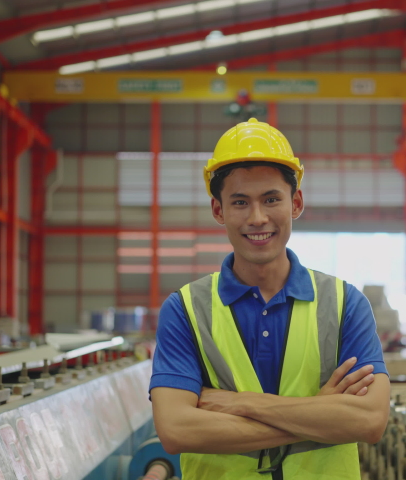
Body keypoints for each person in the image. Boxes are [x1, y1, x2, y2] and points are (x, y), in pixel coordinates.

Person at [150, 118, 390, 479]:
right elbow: (176, 430)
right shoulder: (186, 310)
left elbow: (370, 421)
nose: (257, 218)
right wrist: (318, 413)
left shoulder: (344, 304)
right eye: (240, 202)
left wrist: (241, 404)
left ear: (296, 203)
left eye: (271, 199)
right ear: (219, 211)